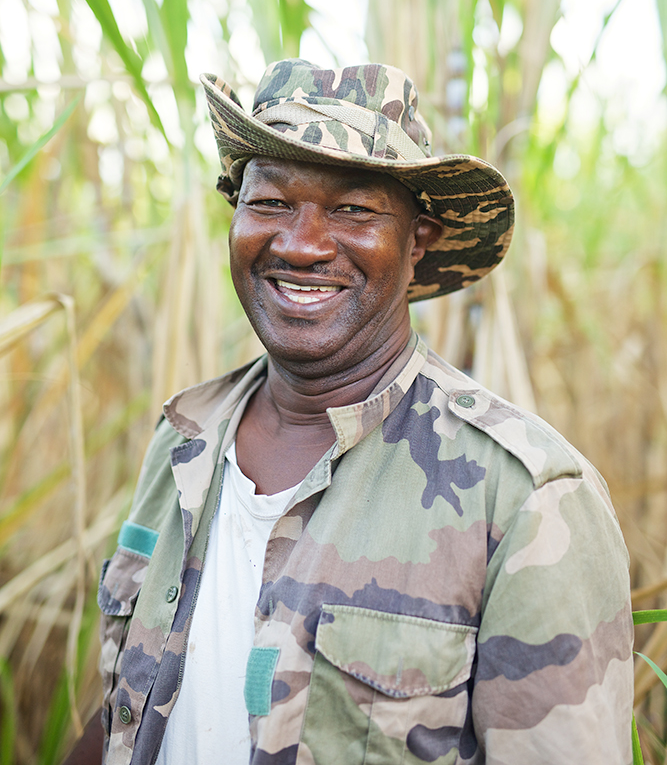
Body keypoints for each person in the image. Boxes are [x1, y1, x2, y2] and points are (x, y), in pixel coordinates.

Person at [71, 59, 633, 765]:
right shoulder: (184, 437)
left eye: (353, 210)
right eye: (271, 203)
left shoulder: (525, 494)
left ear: (417, 240)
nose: (301, 244)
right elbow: (133, 701)